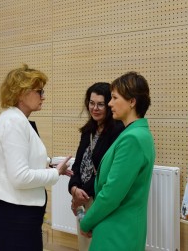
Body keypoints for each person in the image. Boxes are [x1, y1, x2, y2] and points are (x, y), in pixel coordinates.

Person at [0, 64, 73, 251]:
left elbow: (21, 162)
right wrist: (55, 173)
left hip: (17, 215)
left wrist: (47, 165)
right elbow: (20, 177)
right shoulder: (14, 122)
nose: (43, 96)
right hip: (15, 218)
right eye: (40, 91)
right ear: (22, 93)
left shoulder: (15, 120)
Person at [79, 71, 156, 251]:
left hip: (117, 231)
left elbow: (111, 195)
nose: (110, 103)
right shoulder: (137, 133)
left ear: (132, 101)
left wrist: (86, 222)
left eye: (114, 98)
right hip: (121, 227)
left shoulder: (132, 139)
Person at [68, 82, 124, 251]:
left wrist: (81, 194)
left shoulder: (117, 131)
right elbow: (77, 165)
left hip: (99, 199)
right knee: (85, 244)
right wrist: (73, 188)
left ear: (108, 104)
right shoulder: (88, 131)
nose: (95, 108)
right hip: (82, 198)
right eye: (92, 103)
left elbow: (106, 173)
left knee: (99, 244)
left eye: (100, 104)